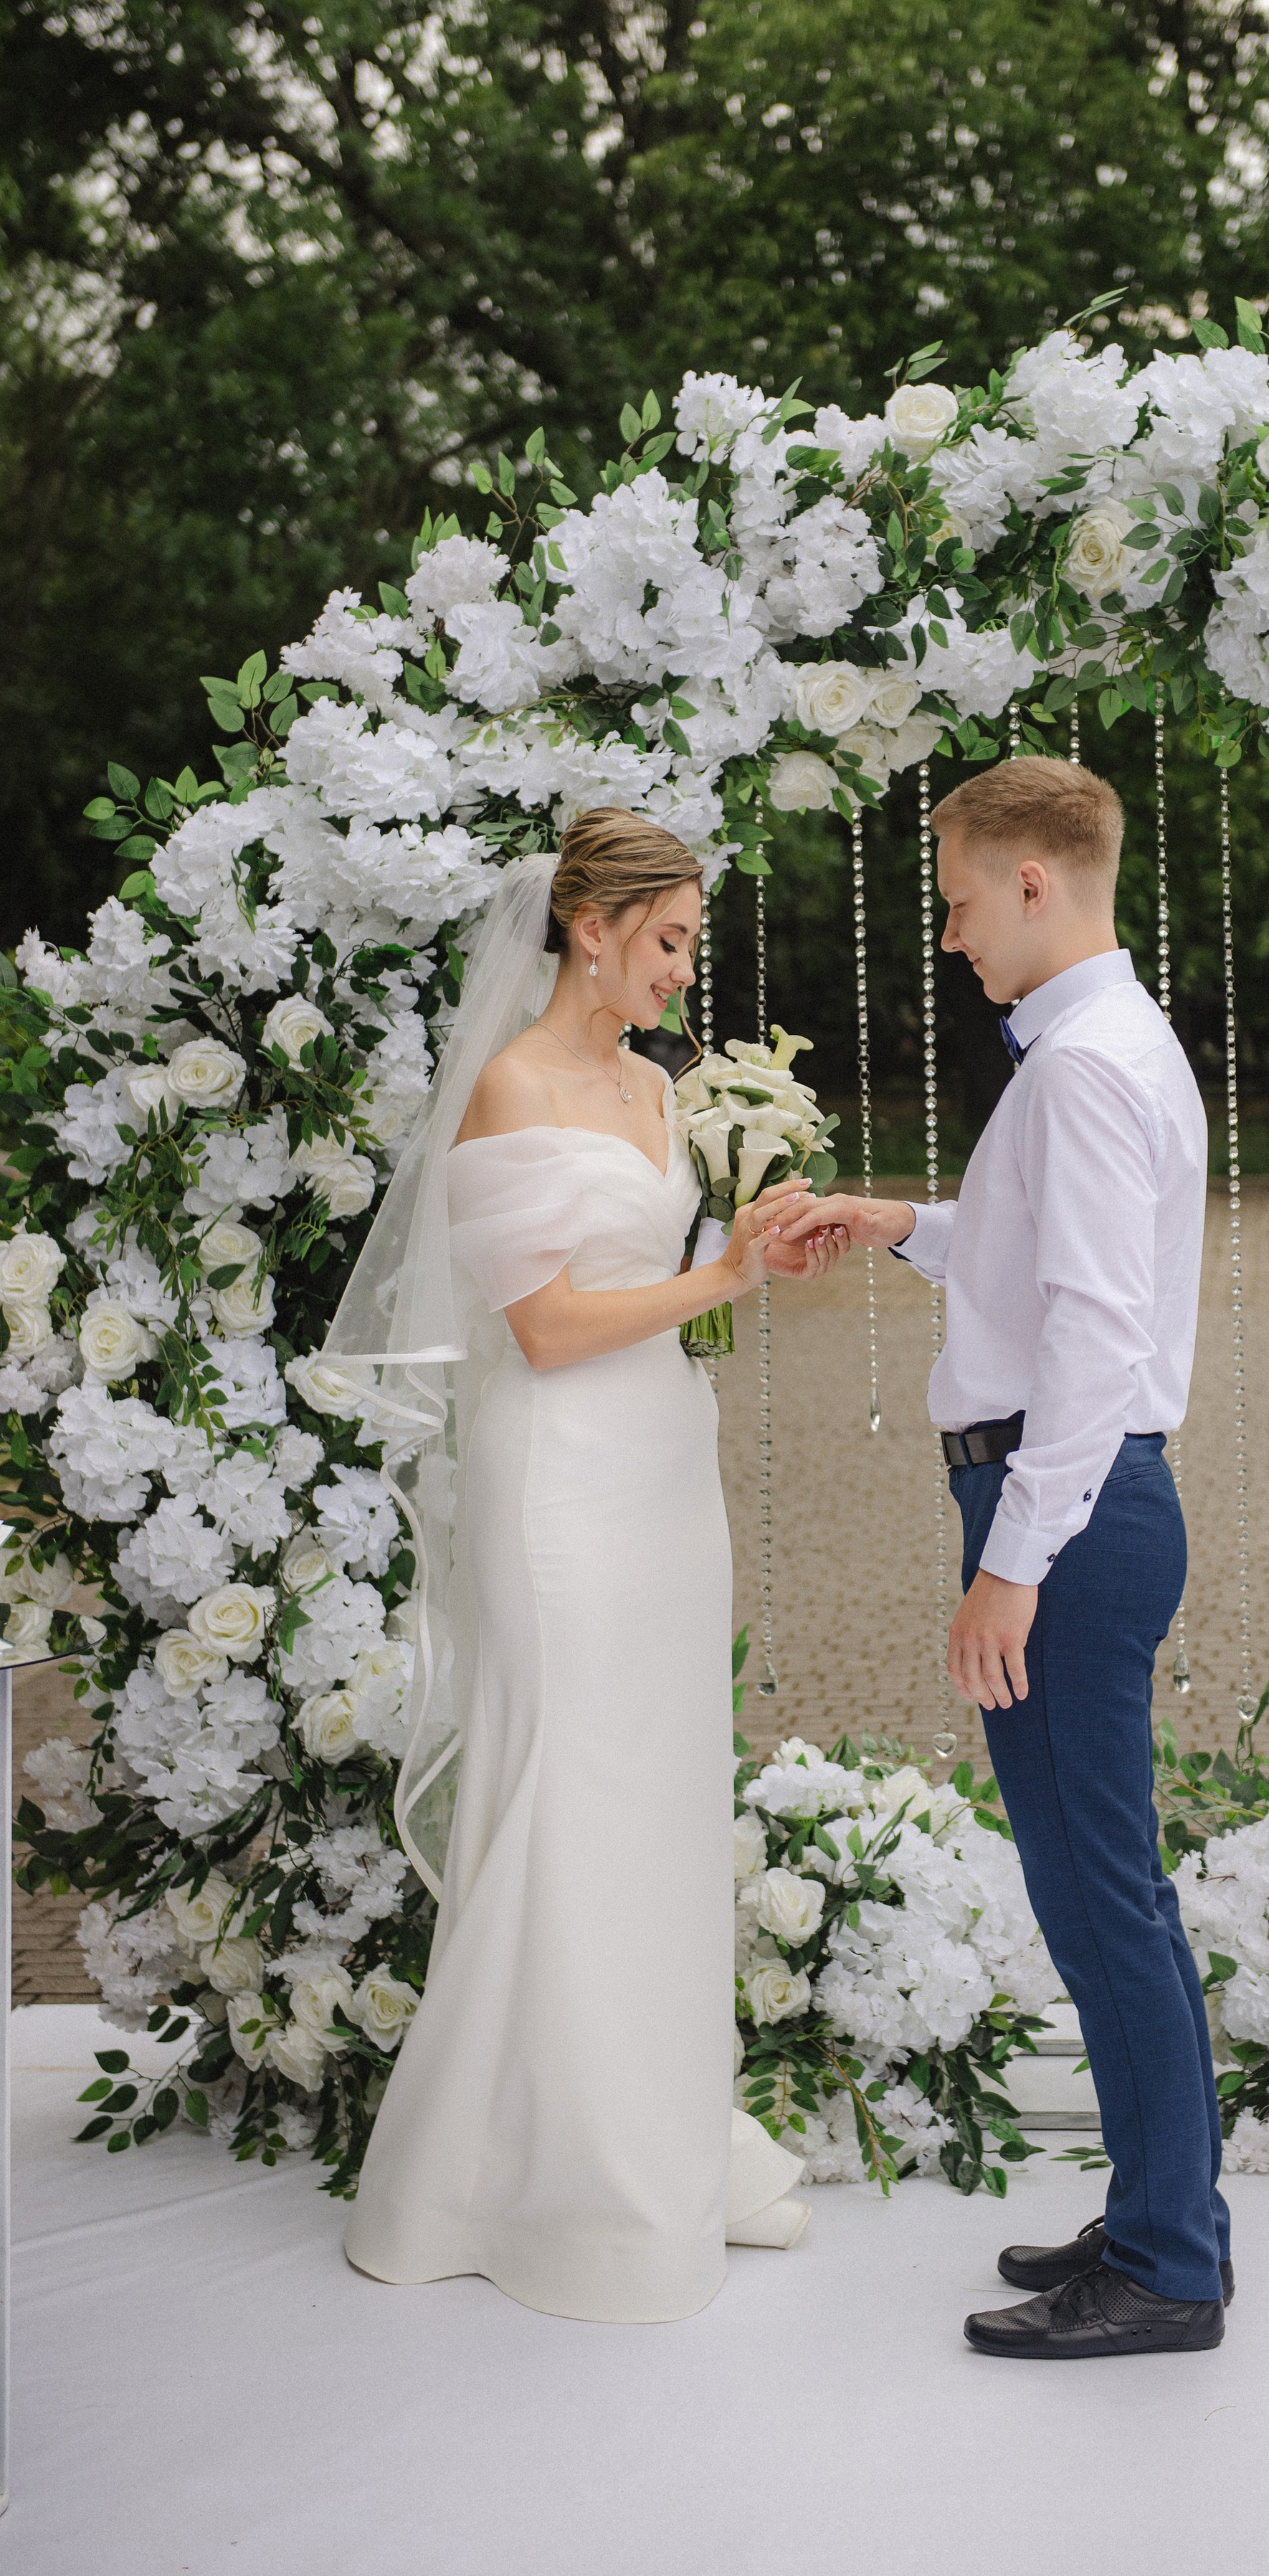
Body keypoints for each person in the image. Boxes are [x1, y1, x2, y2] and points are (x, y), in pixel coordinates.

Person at [337, 808, 842, 2323]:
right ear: (590, 928)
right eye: (668, 941)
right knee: (567, 1790)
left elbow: (663, 1288)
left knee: (656, 1792)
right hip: (557, 1479)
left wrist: (754, 1254)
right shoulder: (512, 1085)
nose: (684, 971)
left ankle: (657, 2134)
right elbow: (548, 1328)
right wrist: (717, 1274)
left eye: (690, 943)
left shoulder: (657, 1087)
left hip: (663, 1467)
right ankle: (539, 2183)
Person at [769, 757, 1232, 2360]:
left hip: (1068, 1510)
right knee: (1106, 1890)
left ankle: (1169, 2267)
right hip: (1078, 1498)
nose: (953, 932)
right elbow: (1040, 1263)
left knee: (1100, 1897)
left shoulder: (1086, 1064)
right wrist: (898, 1222)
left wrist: (1013, 1562)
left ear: (1034, 879)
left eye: (961, 900)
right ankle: (1162, 2211)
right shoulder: (1101, 1045)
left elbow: (1092, 1335)